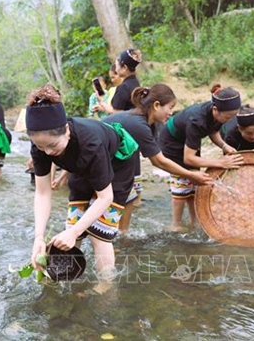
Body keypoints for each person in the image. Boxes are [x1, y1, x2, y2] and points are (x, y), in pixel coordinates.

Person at [27, 84, 138, 291]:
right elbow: (42, 193)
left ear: (66, 130)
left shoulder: (90, 143)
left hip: (118, 163)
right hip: (80, 166)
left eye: (52, 146)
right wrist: (39, 238)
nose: (47, 152)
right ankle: (68, 280)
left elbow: (105, 197)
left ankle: (106, 286)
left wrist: (78, 230)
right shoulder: (40, 146)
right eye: (41, 147)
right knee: (72, 227)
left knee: (98, 233)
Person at [103, 84, 213, 233]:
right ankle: (114, 236)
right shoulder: (139, 124)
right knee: (116, 198)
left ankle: (122, 235)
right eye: (170, 107)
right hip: (99, 158)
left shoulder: (149, 123)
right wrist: (191, 175)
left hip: (113, 159)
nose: (171, 113)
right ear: (156, 105)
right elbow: (158, 161)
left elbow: (156, 157)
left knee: (130, 193)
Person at [158, 84, 245, 231]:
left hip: (188, 143)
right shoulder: (197, 121)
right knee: (182, 182)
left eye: (233, 116)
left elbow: (213, 131)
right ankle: (176, 224)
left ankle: (195, 221)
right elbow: (188, 159)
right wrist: (221, 163)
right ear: (216, 110)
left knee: (195, 182)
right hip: (172, 143)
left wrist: (224, 146)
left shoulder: (216, 114)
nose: (230, 120)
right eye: (228, 117)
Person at [97, 49, 144, 206]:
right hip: (135, 129)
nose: (115, 66)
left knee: (123, 166)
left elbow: (116, 114)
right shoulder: (136, 84)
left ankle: (127, 198)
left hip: (123, 133)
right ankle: (137, 198)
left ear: (124, 68)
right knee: (134, 163)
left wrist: (103, 104)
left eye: (117, 63)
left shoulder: (123, 87)